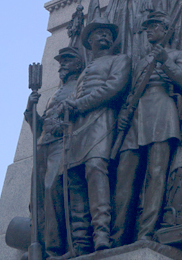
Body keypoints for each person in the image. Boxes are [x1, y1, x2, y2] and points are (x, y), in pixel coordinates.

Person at [112, 11, 182, 245]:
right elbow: (131, 91)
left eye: (153, 26)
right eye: (147, 27)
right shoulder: (140, 61)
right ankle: (117, 236)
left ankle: (145, 233)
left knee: (156, 174)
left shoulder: (177, 55)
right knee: (124, 177)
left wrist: (166, 62)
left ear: (166, 30)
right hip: (136, 116)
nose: (148, 30)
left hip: (161, 111)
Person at [63, 18, 131, 253]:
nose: (105, 36)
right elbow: (73, 99)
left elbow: (113, 88)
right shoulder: (82, 73)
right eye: (99, 33)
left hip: (102, 119)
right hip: (77, 128)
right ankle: (80, 241)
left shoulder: (119, 60)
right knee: (74, 178)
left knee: (95, 169)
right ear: (89, 41)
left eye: (108, 33)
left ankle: (102, 232)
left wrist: (79, 105)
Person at [24, 47, 84, 259]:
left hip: (62, 143)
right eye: (61, 62)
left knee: (52, 189)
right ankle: (38, 246)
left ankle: (55, 249)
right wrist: (31, 110)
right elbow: (39, 128)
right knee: (37, 197)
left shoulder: (81, 85)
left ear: (78, 65)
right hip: (43, 145)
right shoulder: (55, 93)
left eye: (67, 61)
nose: (62, 65)